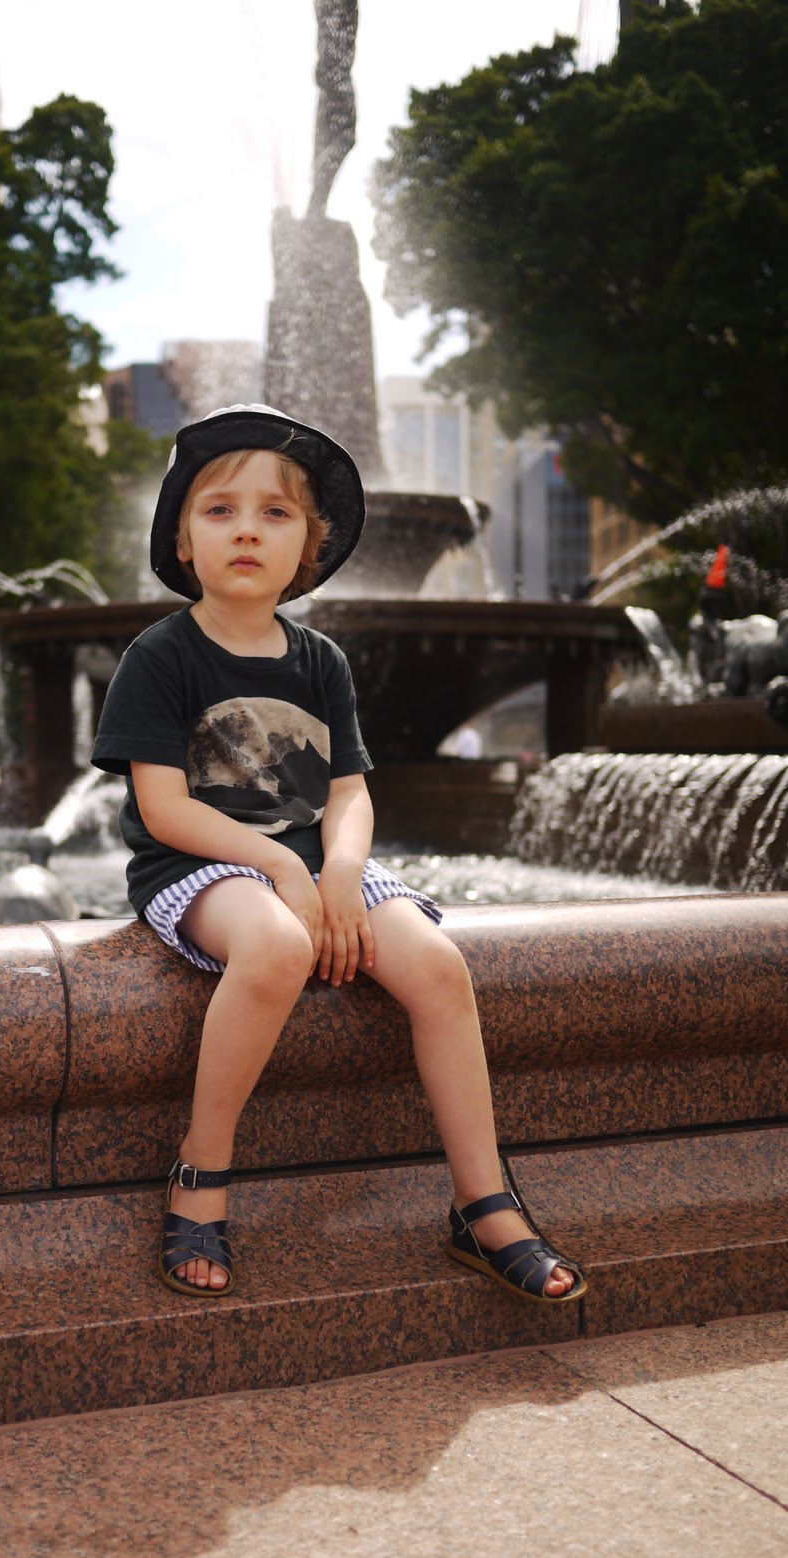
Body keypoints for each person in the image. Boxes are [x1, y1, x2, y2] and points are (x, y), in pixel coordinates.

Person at [92, 405, 585, 1306]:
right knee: (276, 945)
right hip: (199, 864)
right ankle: (200, 1170)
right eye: (220, 510)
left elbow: (349, 794)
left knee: (436, 965)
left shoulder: (319, 660)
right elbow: (163, 809)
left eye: (275, 513)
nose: (247, 529)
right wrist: (285, 870)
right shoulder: (159, 656)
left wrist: (343, 872)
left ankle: (483, 1205)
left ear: (308, 551)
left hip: (318, 860)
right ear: (184, 543)